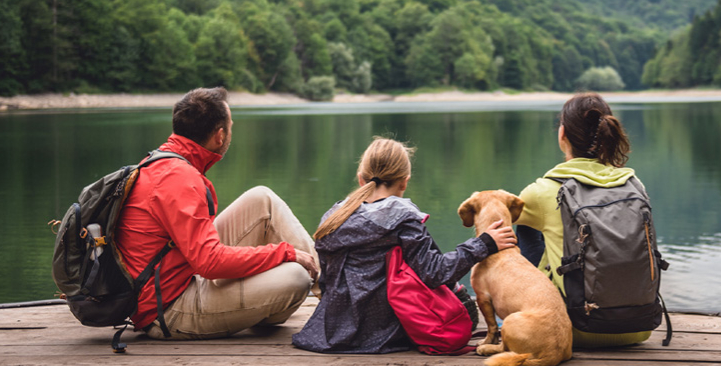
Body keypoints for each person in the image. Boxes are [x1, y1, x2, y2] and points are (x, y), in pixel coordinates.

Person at [117, 87, 320, 340]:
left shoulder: (162, 161)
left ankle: (332, 292)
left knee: (262, 199)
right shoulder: (180, 178)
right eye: (231, 126)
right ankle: (332, 296)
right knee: (296, 277)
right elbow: (210, 263)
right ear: (220, 135)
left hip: (180, 273)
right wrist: (284, 253)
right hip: (167, 309)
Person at [292, 137, 517, 354]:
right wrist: (483, 244)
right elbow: (435, 273)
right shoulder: (402, 217)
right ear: (404, 181)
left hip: (331, 330)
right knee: (459, 299)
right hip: (386, 332)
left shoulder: (333, 217)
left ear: (361, 178)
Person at [514, 92, 653, 347]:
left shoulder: (542, 191)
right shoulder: (634, 185)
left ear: (562, 134)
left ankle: (516, 315)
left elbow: (496, 228)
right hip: (640, 326)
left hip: (570, 328)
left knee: (523, 226)